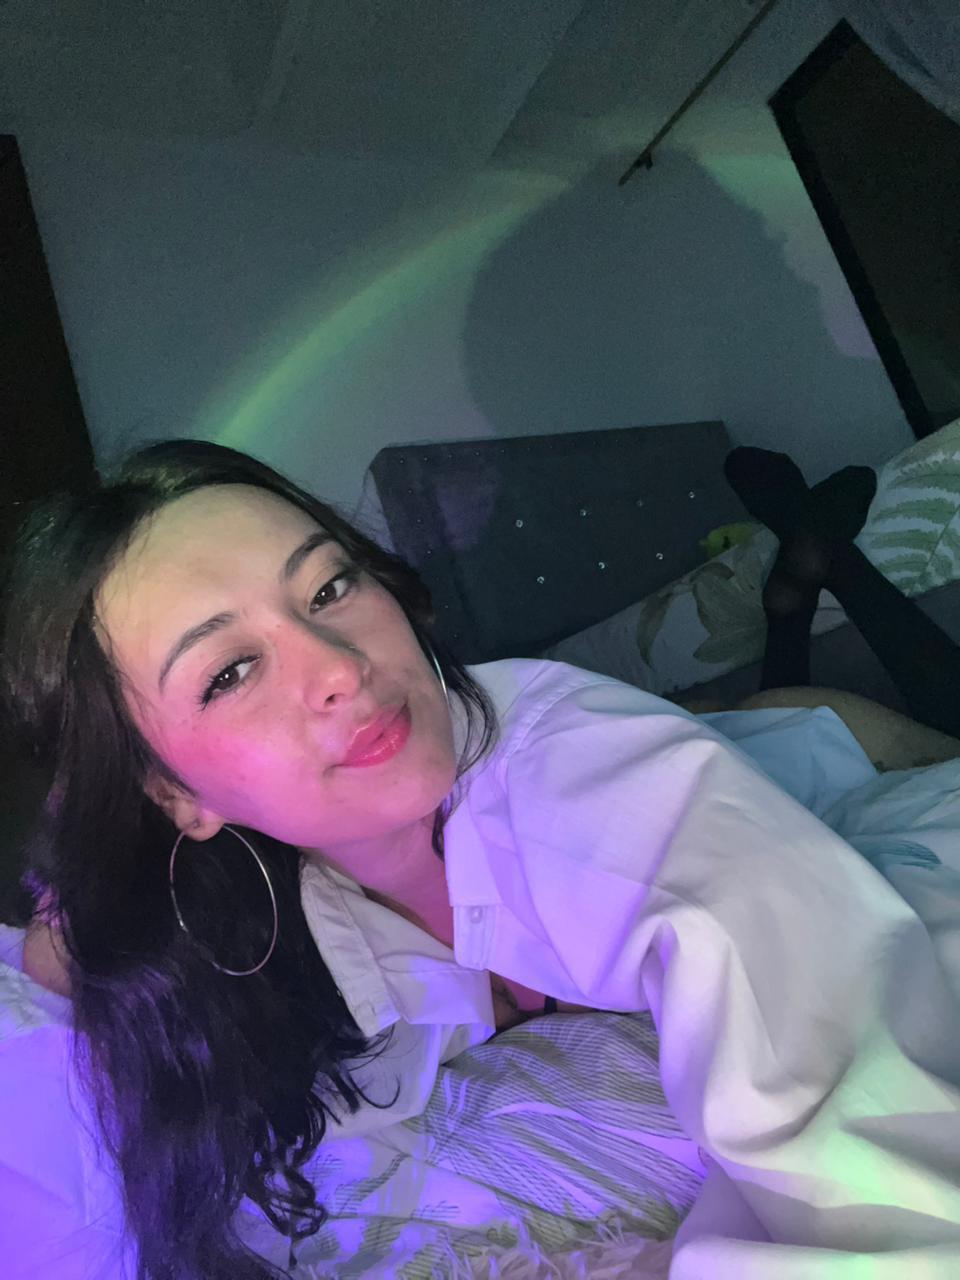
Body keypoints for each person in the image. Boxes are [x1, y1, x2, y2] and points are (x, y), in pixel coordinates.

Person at [1, 439, 959, 1280]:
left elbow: (881, 1163)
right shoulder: (262, 913)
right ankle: (795, 591)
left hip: (886, 793)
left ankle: (806, 578)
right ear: (174, 795)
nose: (342, 666)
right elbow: (50, 1002)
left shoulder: (576, 780)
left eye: (330, 587)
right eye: (231, 671)